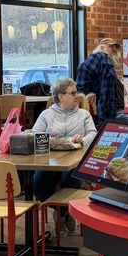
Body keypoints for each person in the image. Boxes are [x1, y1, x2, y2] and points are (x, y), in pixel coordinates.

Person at [32, 78, 97, 235]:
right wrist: (53, 140)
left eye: (77, 92)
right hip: (51, 161)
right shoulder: (46, 114)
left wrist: (82, 141)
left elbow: (93, 134)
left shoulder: (84, 114)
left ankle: (61, 215)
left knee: (70, 179)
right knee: (38, 184)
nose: (77, 96)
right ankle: (64, 210)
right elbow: (35, 134)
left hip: (75, 161)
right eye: (73, 93)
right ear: (60, 96)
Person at [76, 38, 128, 125]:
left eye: (115, 47)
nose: (114, 49)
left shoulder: (106, 61)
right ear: (102, 47)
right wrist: (87, 92)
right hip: (106, 110)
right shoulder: (99, 56)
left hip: (111, 109)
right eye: (111, 46)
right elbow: (83, 68)